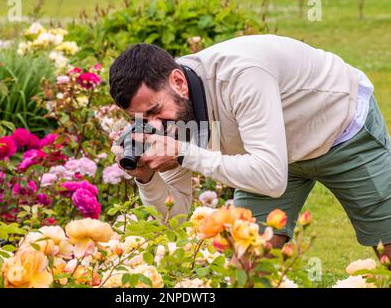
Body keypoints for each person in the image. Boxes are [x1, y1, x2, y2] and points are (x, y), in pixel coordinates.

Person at [108, 34, 391, 262]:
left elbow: (270, 176)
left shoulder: (241, 76)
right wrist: (146, 177)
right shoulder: (169, 116)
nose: (153, 126)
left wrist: (183, 153)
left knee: (387, 248)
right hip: (267, 157)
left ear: (178, 82)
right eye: (142, 119)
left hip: (340, 129)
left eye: (155, 111)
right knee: (246, 263)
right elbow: (177, 217)